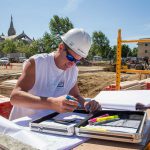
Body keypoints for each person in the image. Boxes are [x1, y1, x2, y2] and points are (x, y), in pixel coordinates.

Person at [9, 28, 101, 120]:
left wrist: (85, 103)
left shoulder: (73, 71)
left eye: (77, 60)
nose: (72, 64)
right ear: (61, 47)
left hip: (48, 124)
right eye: (70, 57)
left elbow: (76, 95)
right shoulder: (37, 63)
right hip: (22, 126)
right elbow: (15, 97)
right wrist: (51, 103)